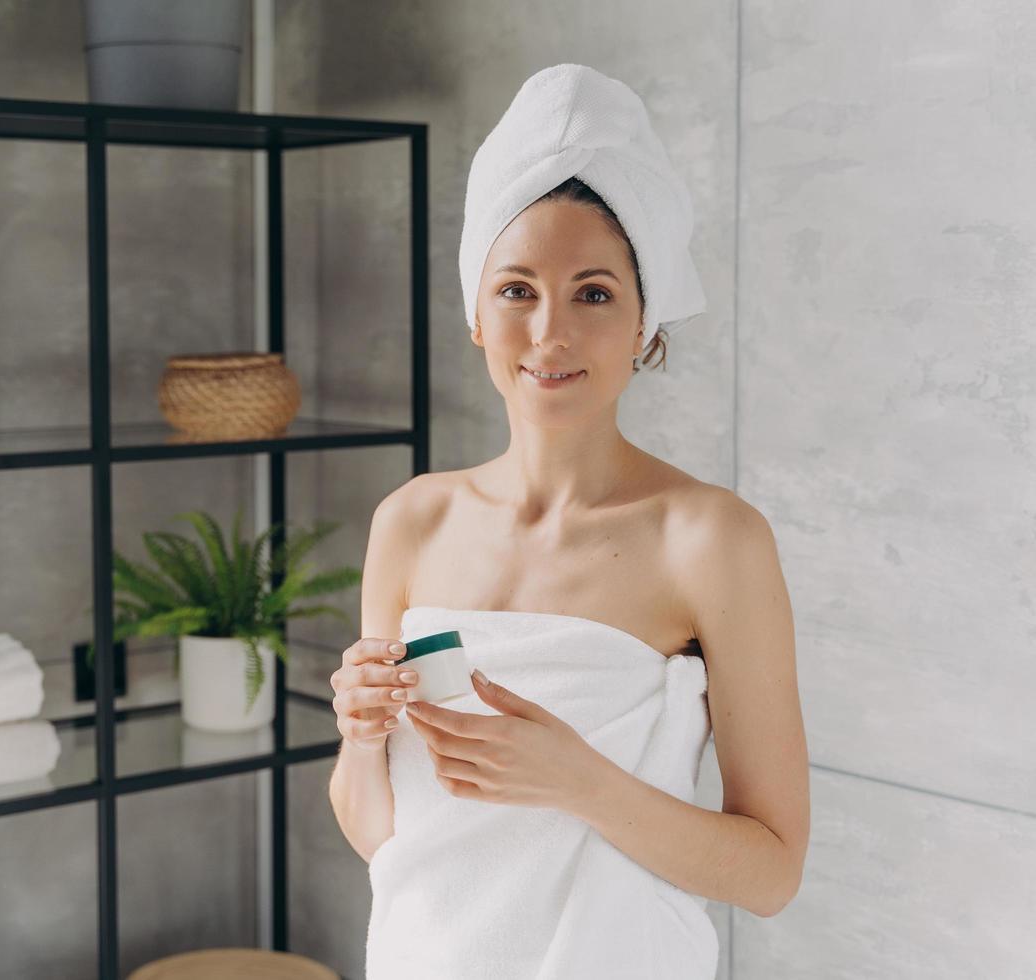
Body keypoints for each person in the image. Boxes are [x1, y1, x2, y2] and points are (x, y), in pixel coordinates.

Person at [328, 65, 809, 979]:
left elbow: (773, 871)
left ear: (644, 323)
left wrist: (580, 783)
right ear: (476, 311)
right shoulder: (412, 522)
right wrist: (359, 736)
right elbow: (384, 838)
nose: (549, 332)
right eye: (516, 289)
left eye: (593, 293)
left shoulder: (710, 540)